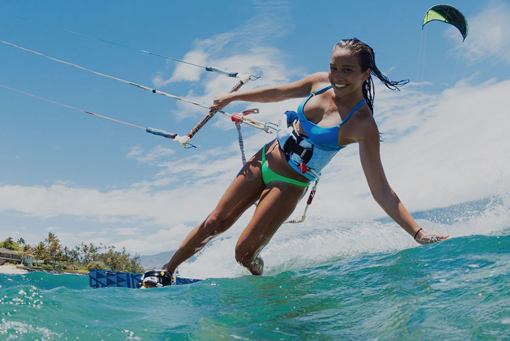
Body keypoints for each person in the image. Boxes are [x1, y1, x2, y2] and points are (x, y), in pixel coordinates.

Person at [142, 39, 448, 287]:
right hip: (264, 158)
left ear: (365, 74)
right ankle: (166, 272)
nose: (337, 77)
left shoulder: (363, 125)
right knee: (215, 222)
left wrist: (417, 233)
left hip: (290, 184)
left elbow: (381, 189)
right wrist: (233, 98)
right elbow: (278, 92)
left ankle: (261, 280)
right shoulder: (319, 83)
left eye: (347, 70)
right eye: (333, 68)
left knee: (243, 254)